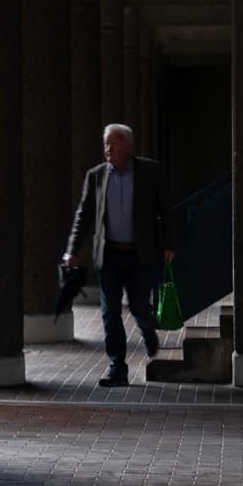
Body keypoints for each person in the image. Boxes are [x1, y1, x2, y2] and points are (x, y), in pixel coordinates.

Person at [63, 123, 174, 387]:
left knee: (138, 307)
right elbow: (84, 214)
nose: (108, 149)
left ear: (128, 146)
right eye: (105, 144)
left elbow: (166, 210)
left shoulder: (151, 172)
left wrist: (169, 244)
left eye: (113, 143)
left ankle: (147, 330)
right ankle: (117, 367)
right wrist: (72, 250)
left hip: (139, 254)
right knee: (109, 312)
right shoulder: (97, 176)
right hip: (110, 254)